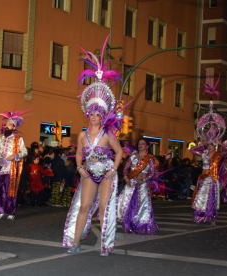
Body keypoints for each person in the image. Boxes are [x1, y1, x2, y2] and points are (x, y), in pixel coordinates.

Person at [63, 36, 123, 257]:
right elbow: (78, 154)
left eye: (98, 114)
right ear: (88, 114)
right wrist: (80, 168)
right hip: (89, 173)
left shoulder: (108, 134)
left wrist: (113, 169)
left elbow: (119, 152)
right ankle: (75, 242)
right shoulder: (82, 134)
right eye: (92, 113)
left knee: (105, 211)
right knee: (84, 207)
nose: (95, 117)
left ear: (102, 116)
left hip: (105, 173)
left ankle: (106, 245)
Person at [189, 71, 227, 227]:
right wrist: (200, 144)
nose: (211, 146)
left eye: (213, 144)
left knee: (211, 199)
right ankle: (199, 216)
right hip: (204, 178)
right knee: (201, 198)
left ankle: (212, 217)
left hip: (212, 179)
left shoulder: (218, 154)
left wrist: (222, 143)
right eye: (209, 144)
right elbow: (193, 151)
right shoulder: (204, 152)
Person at [0, 107, 30, 220]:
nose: (6, 126)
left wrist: (14, 156)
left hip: (11, 167)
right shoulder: (0, 138)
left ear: (13, 127)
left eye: (9, 124)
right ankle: (1, 210)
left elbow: (25, 152)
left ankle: (11, 211)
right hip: (1, 167)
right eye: (5, 124)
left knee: (10, 190)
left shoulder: (18, 139)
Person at [117, 138, 160, 234]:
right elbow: (125, 169)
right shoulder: (132, 157)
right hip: (131, 183)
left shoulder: (150, 158)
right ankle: (129, 225)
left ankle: (141, 225)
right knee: (129, 204)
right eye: (139, 144)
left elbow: (153, 172)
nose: (140, 145)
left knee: (142, 205)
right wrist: (126, 178)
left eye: (143, 144)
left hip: (143, 183)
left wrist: (144, 180)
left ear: (147, 146)